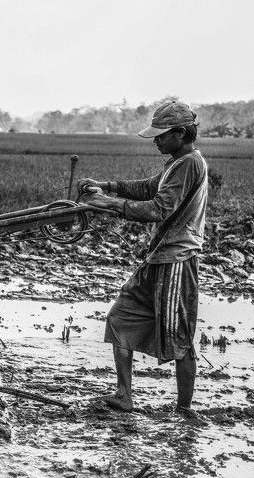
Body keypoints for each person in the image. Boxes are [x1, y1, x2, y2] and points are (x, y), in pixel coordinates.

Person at [77, 101, 208, 412]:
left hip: (177, 260)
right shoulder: (176, 163)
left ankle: (183, 409)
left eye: (161, 135)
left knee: (179, 335)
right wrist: (105, 187)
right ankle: (124, 394)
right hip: (158, 258)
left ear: (180, 133)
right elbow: (148, 188)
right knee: (120, 316)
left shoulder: (190, 163)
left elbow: (158, 208)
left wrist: (108, 204)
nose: (156, 141)